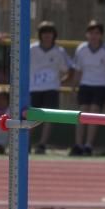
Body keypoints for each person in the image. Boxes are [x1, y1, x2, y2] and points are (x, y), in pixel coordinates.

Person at [70, 20, 105, 157]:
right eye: (91, 33)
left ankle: (88, 145)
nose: (94, 36)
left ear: (101, 35)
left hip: (101, 86)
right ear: (87, 34)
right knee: (81, 113)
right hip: (85, 85)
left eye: (97, 33)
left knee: (93, 112)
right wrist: (73, 88)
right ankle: (78, 144)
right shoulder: (81, 49)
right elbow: (78, 70)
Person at [29, 21, 73, 153]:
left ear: (54, 35)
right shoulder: (32, 49)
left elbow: (69, 69)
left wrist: (62, 82)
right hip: (33, 88)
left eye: (50, 33)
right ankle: (27, 143)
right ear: (40, 35)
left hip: (51, 89)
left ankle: (42, 144)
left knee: (48, 116)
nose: (47, 36)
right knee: (30, 116)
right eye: (44, 33)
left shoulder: (59, 51)